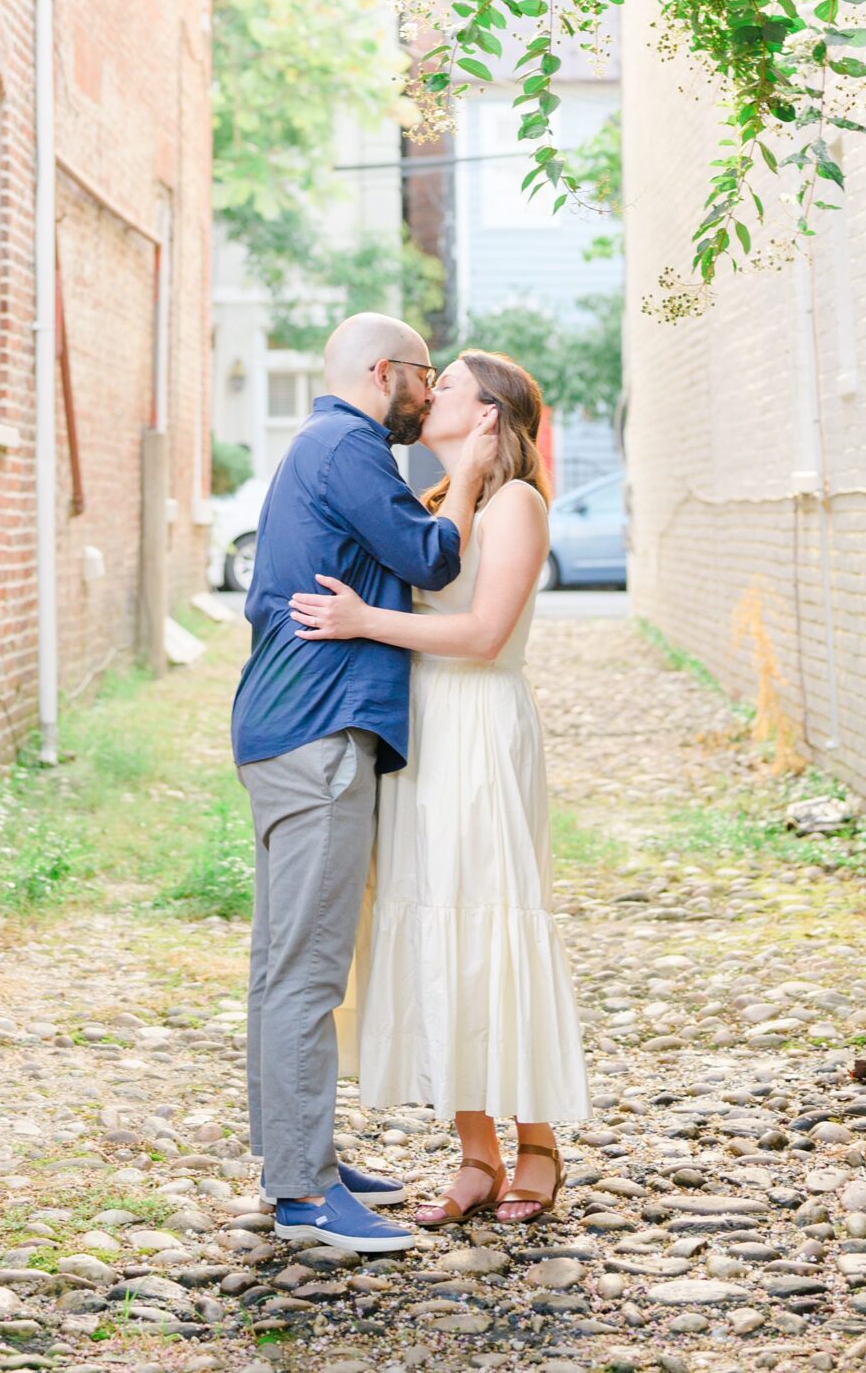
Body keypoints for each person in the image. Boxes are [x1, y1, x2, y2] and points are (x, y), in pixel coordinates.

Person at [291, 349, 589, 1226]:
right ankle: (475, 1155)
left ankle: (536, 1144)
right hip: (423, 735)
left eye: (448, 384)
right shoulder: (437, 504)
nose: (428, 395)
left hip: (483, 729)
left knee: (491, 919)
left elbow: (486, 634)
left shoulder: (518, 506)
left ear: (490, 412)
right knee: (432, 925)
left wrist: (360, 619)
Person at [230, 312, 499, 1256]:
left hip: (282, 731)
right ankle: (304, 1197)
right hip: (320, 736)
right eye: (425, 378)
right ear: (386, 372)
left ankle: (295, 1160)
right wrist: (465, 481)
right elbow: (431, 558)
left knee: (280, 965)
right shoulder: (346, 444)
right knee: (305, 972)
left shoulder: (317, 448)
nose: (430, 397)